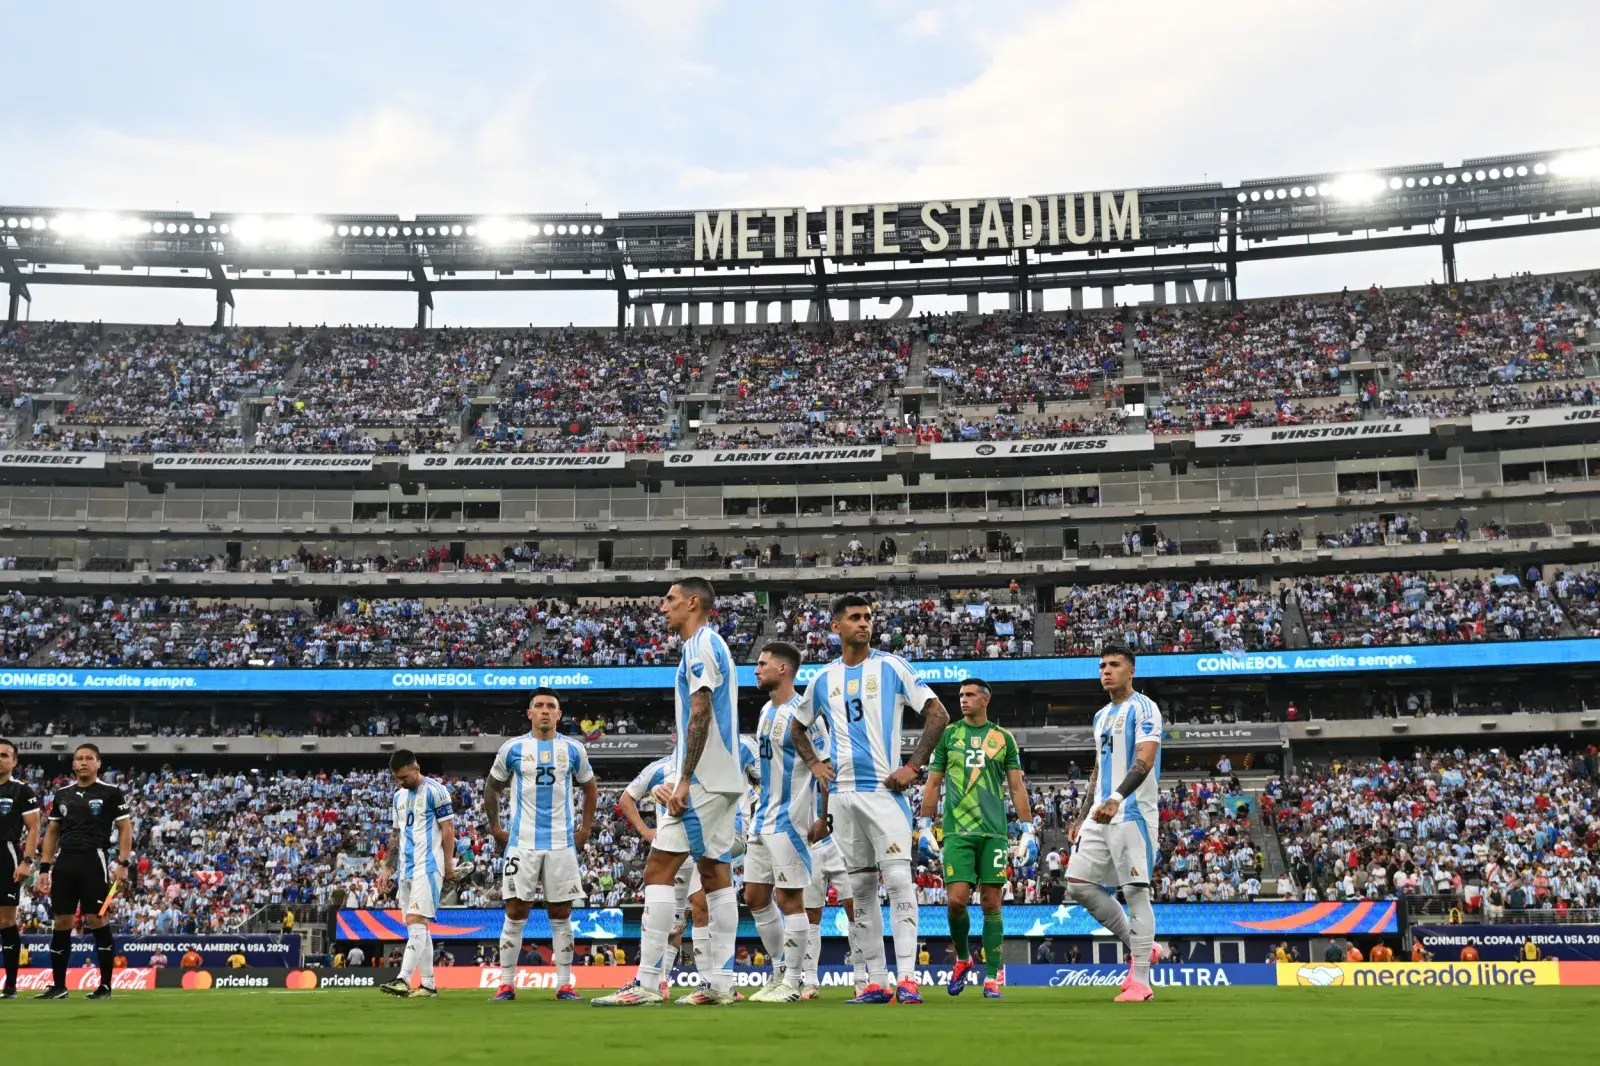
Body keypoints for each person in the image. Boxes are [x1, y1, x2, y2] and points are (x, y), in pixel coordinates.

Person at [789, 592, 951, 1004]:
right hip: (843, 797)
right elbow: (797, 728)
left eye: (868, 617)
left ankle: (909, 978)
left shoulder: (892, 666)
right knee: (860, 889)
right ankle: (877, 981)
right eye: (855, 617)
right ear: (836, 627)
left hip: (883, 793)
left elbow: (938, 714)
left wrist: (913, 766)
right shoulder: (824, 679)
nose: (864, 623)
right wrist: (817, 764)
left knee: (897, 879)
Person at [596, 578, 743, 1007]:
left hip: (701, 780)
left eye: (670, 600)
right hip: (724, 778)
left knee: (658, 870)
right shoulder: (713, 644)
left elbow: (699, 709)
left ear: (693, 603)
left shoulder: (699, 644)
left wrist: (683, 778)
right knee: (716, 875)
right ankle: (720, 984)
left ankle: (644, 982)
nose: (663, 608)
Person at [483, 688, 598, 1002]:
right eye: (539, 706)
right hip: (522, 843)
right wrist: (495, 828)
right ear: (529, 713)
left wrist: (585, 829)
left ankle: (565, 984)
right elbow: (491, 787)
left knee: (561, 913)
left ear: (559, 715)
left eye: (551, 706)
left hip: (561, 844)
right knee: (515, 910)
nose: (545, 711)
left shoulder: (573, 750)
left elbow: (590, 788)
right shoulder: (513, 749)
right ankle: (506, 984)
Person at [1065, 646, 1164, 1003]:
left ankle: (1140, 981)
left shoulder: (1145, 707)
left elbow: (1145, 759)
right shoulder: (1100, 715)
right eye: (1102, 666)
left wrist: (1117, 799)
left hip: (1133, 812)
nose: (1106, 671)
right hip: (1099, 813)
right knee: (1077, 884)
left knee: (1136, 892)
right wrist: (1080, 815)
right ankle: (1141, 945)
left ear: (1131, 671)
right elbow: (1096, 767)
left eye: (1115, 665)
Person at [922, 678, 1029, 1000]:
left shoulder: (1003, 738)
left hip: (994, 832)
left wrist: (1028, 828)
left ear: (985, 700)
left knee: (991, 902)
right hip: (956, 832)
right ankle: (965, 958)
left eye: (969, 695)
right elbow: (933, 782)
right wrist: (926, 824)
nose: (963, 700)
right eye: (960, 696)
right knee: (955, 901)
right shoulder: (949, 735)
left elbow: (1016, 786)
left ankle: (993, 977)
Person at [745, 642, 829, 1004]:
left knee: (790, 899)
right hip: (760, 820)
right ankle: (780, 970)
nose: (756, 669)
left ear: (783, 669)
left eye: (762, 664)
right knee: (754, 896)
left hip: (789, 821)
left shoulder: (807, 715)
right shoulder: (766, 710)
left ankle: (794, 982)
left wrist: (824, 818)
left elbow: (826, 768)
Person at [34, 743, 132, 1000]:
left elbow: (125, 829)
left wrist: (123, 864)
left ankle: (105, 986)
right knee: (62, 921)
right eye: (80, 758)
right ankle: (58, 986)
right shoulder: (62, 794)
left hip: (94, 860)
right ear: (74, 764)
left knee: (97, 919)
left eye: (90, 758)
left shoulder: (111, 793)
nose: (84, 762)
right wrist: (44, 868)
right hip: (65, 861)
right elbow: (52, 833)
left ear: (99, 763)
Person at [375, 749, 456, 999]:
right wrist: (387, 870)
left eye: (403, 777)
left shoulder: (436, 791)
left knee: (416, 922)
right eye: (397, 779)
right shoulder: (398, 797)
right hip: (406, 870)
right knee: (419, 929)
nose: (400, 782)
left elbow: (448, 829)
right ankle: (429, 985)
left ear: (416, 768)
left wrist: (448, 865)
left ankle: (403, 979)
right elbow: (396, 836)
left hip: (428, 867)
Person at [0, 738, 43, 999]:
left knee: (5, 920)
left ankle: (11, 985)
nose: (0, 759)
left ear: (14, 761)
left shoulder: (21, 791)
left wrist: (27, 861)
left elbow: (34, 828)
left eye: (5, 755)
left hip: (6, 854)